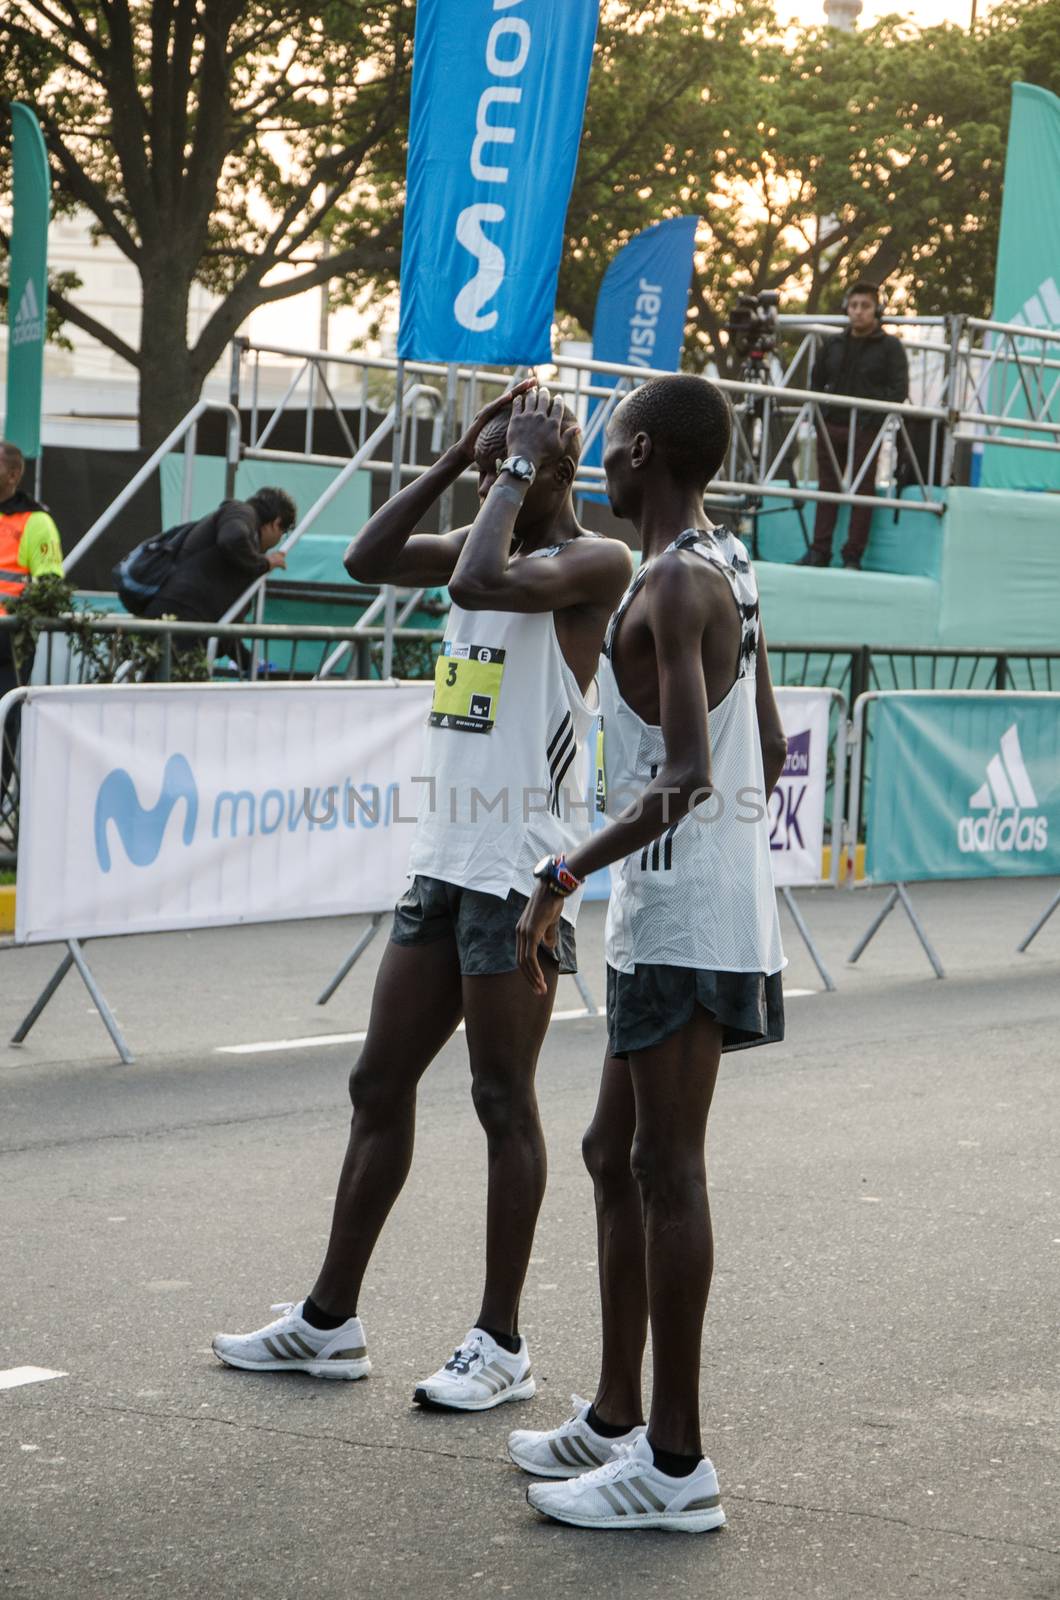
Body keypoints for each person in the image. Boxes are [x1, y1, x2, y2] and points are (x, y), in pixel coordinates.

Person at [212, 383, 633, 1408]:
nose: (492, 485)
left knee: (501, 1100)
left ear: (553, 473)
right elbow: (363, 560)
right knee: (375, 1083)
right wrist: (460, 459)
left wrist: (519, 467)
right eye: (488, 472)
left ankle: (500, 1342)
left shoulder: (590, 564)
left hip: (519, 877)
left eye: (509, 470)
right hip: (443, 862)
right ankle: (328, 1320)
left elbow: (486, 576)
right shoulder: (481, 529)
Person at [507, 374, 787, 1533]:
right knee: (609, 1148)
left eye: (613, 444)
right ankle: (620, 1414)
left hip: (679, 912)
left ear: (647, 454)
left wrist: (564, 870)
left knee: (667, 1172)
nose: (603, 463)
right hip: (691, 902)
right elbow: (766, 738)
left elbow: (690, 774)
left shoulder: (673, 581)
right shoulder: (732, 562)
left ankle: (676, 1467)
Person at [798, 282, 908, 571]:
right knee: (826, 490)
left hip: (866, 430)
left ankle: (852, 557)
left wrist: (872, 420)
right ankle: (819, 551)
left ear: (877, 310)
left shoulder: (891, 347)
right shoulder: (833, 344)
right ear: (847, 307)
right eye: (854, 305)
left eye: (865, 306)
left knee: (863, 492)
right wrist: (822, 417)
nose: (858, 312)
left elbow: (898, 389)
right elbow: (815, 381)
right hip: (831, 425)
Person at [0, 442, 65, 807]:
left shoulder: (36, 522)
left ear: (13, 475)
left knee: (3, 727)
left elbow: (50, 583)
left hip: (8, 645)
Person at [143, 487, 295, 628]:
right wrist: (266, 563)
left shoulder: (244, 539)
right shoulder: (242, 512)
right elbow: (232, 539)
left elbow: (229, 627)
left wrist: (247, 658)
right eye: (283, 533)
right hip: (179, 613)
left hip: (181, 614)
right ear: (276, 523)